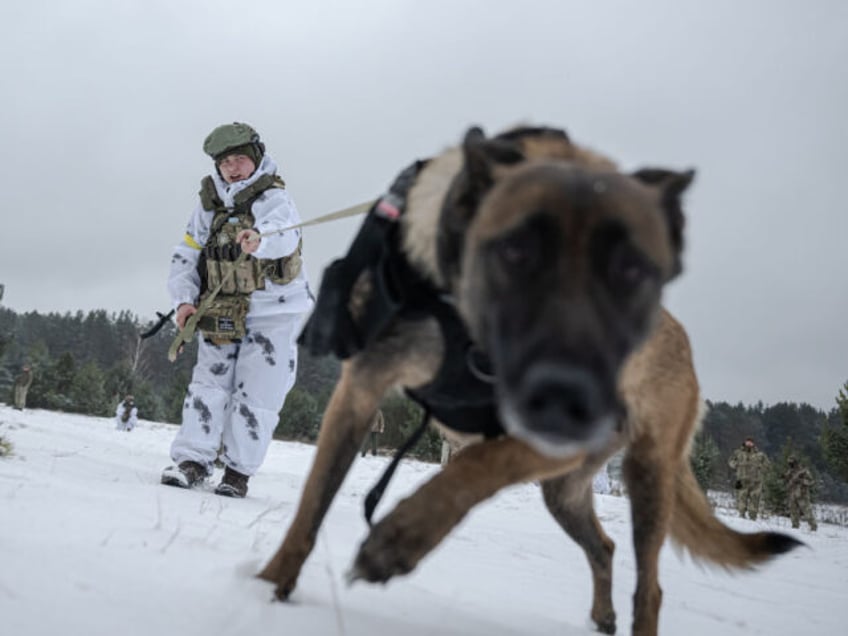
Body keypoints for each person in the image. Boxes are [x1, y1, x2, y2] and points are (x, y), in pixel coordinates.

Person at [161, 122, 314, 499]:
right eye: (225, 161)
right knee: (208, 384)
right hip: (221, 308)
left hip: (272, 312)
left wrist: (260, 239)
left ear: (256, 158)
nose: (232, 167)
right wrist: (184, 300)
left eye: (240, 159)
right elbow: (187, 253)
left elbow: (285, 233)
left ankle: (237, 472)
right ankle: (193, 461)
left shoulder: (275, 198)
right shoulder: (207, 204)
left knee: (259, 394)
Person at [728, 436, 770, 520]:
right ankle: (741, 515)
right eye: (748, 441)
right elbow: (730, 461)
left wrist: (761, 467)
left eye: (751, 442)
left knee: (755, 499)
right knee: (741, 497)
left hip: (756, 481)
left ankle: (753, 516)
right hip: (742, 479)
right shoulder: (738, 452)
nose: (749, 443)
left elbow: (767, 465)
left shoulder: (760, 455)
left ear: (753, 443)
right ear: (745, 442)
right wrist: (736, 465)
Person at [784, 456, 817, 531]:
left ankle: (813, 526)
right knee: (793, 511)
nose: (790, 464)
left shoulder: (803, 471)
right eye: (789, 463)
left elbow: (811, 481)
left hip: (802, 494)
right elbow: (788, 479)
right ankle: (795, 526)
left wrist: (802, 481)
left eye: (792, 463)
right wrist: (785, 477)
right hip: (793, 493)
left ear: (795, 462)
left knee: (807, 511)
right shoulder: (790, 471)